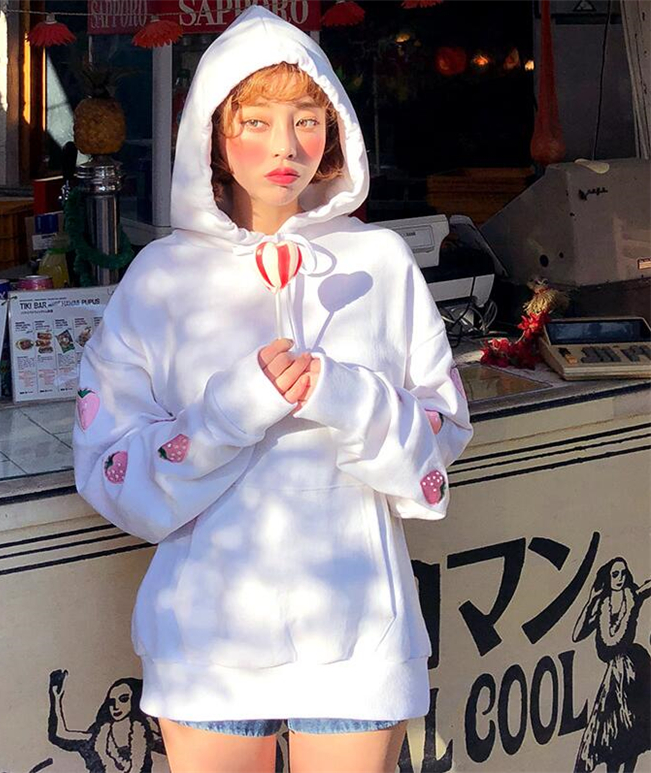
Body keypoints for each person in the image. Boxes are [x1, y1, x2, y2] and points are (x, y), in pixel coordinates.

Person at [73, 7, 474, 772]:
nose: (285, 146)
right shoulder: (161, 279)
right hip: (209, 633)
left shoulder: (380, 263)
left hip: (358, 627)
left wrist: (350, 400)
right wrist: (224, 415)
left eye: (307, 120)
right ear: (211, 135)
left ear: (337, 130)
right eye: (254, 121)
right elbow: (107, 461)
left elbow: (442, 427)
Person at [572, 558, 651, 773]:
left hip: (635, 669)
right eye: (615, 574)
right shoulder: (602, 605)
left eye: (623, 573)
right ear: (607, 577)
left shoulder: (632, 596)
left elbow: (647, 588)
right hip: (615, 675)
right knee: (611, 731)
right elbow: (577, 634)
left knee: (634, 728)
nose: (620, 578)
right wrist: (591, 600)